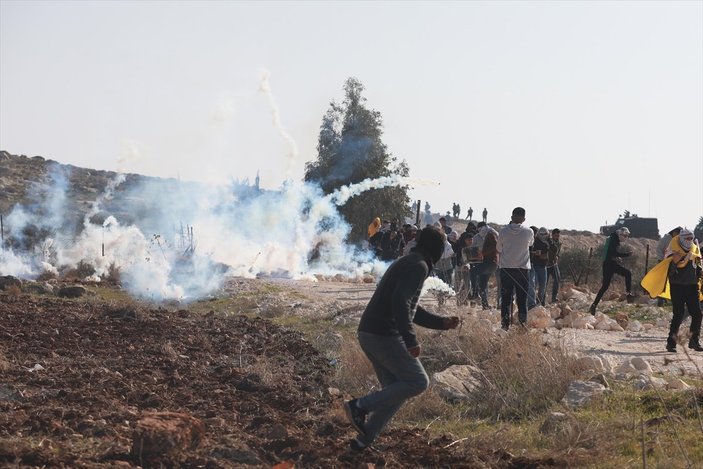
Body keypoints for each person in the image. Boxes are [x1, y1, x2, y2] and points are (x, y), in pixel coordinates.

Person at [343, 226, 460, 452]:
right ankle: (359, 406)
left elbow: (410, 307)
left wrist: (441, 323)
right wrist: (410, 340)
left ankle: (361, 443)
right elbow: (400, 302)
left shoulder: (410, 262)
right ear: (435, 248)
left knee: (396, 391)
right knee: (418, 382)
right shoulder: (418, 266)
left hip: (369, 332)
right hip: (383, 334)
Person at [665, 229, 702, 352]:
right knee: (679, 314)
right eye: (687, 238)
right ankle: (671, 343)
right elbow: (668, 271)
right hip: (677, 287)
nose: (689, 241)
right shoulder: (673, 251)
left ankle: (694, 341)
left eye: (691, 238)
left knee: (697, 314)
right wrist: (675, 262)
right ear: (681, 238)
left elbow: (698, 267)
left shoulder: (694, 249)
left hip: (692, 286)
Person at [497, 207, 534, 330]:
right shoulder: (529, 232)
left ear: (512, 217)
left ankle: (505, 326)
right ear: (524, 219)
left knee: (506, 299)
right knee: (522, 300)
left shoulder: (503, 231)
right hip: (522, 270)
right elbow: (530, 244)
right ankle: (523, 326)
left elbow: (499, 249)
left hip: (506, 269)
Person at [589, 227, 634, 314]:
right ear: (621, 234)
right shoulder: (615, 240)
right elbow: (613, 252)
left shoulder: (612, 237)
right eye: (625, 236)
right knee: (628, 274)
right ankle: (628, 294)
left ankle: (594, 305)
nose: (626, 238)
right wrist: (626, 255)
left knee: (605, 286)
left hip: (607, 264)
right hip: (610, 264)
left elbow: (610, 252)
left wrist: (618, 257)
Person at [656, 227, 682, 306]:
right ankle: (660, 300)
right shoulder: (666, 238)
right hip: (663, 262)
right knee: (662, 281)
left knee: (672, 280)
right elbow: (659, 249)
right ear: (674, 232)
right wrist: (662, 260)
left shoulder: (676, 240)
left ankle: (670, 299)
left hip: (673, 262)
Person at [528, 227, 550, 308]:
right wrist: (534, 253)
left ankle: (540, 302)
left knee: (542, 286)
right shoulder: (533, 242)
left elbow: (545, 256)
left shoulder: (546, 243)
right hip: (534, 266)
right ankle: (532, 303)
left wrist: (539, 254)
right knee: (534, 285)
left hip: (543, 267)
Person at [545, 228, 562, 303]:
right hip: (546, 265)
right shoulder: (548, 243)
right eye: (555, 235)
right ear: (552, 235)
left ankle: (554, 298)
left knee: (557, 279)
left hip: (554, 264)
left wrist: (557, 257)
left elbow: (557, 253)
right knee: (544, 282)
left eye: (558, 236)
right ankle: (541, 298)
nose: (557, 237)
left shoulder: (559, 243)